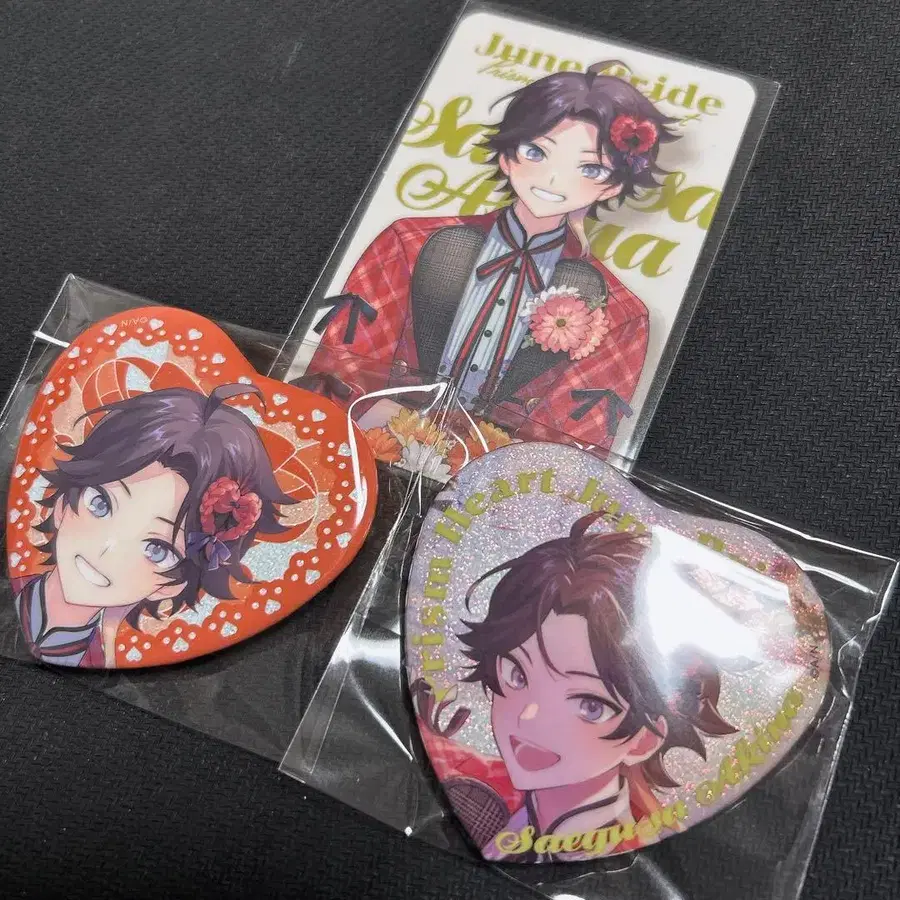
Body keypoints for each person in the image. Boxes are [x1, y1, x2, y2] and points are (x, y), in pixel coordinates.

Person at [301, 61, 678, 452]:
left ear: (613, 185)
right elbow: (340, 367)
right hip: (364, 448)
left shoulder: (620, 312)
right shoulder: (408, 242)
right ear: (507, 156)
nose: (552, 179)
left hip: (494, 480)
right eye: (536, 152)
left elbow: (572, 448)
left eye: (589, 168)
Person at [413, 515, 736, 861]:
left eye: (589, 705)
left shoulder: (630, 848)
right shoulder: (493, 797)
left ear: (644, 739)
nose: (529, 715)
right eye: (517, 675)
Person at [15, 384, 294, 668]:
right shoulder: (13, 590)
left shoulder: (104, 656)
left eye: (157, 549)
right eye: (100, 504)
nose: (107, 550)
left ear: (172, 586)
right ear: (63, 504)